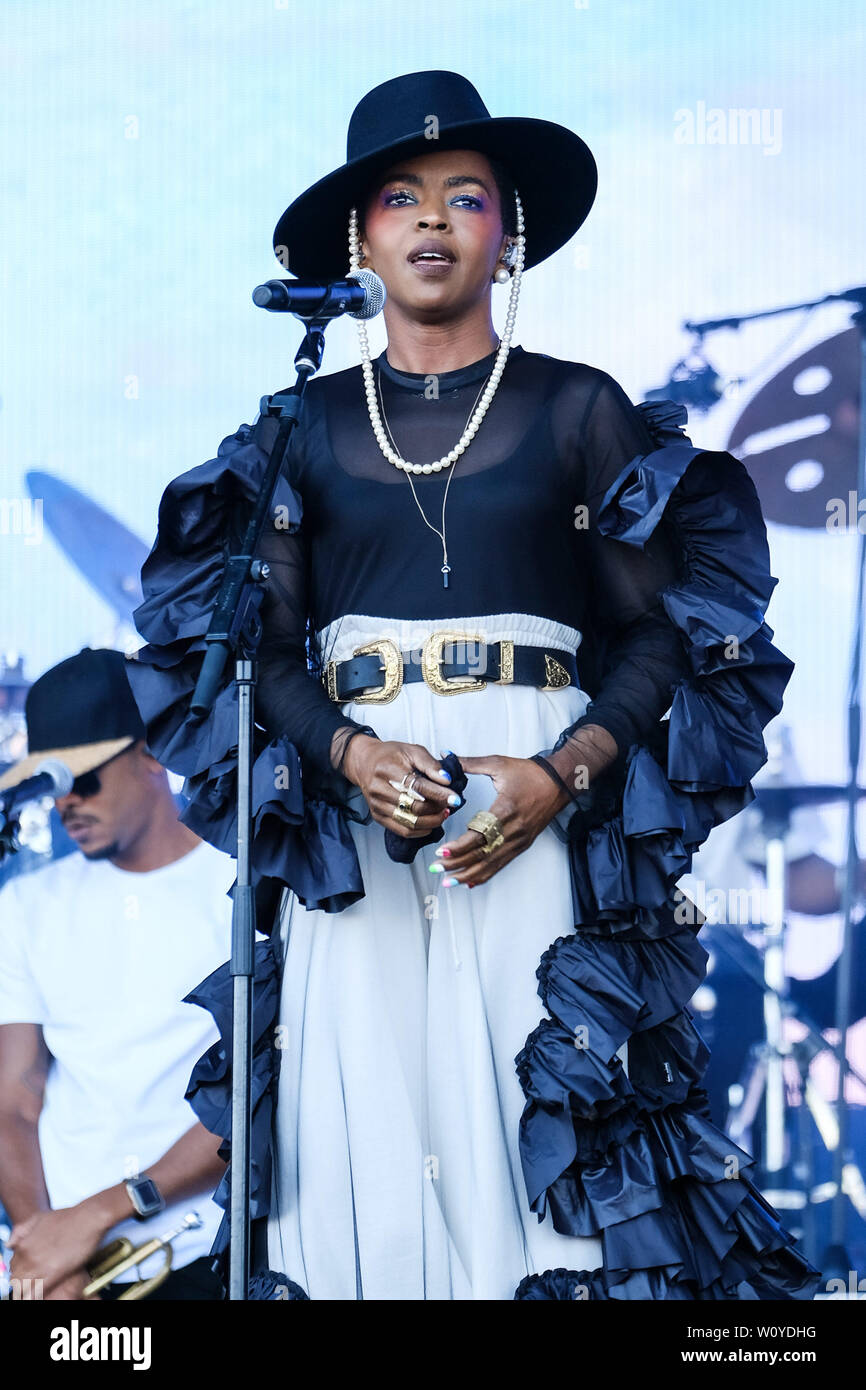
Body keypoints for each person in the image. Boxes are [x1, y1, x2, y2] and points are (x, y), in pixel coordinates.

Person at [127, 71, 822, 1300]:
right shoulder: (298, 425)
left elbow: (668, 632)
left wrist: (561, 772)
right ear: (361, 239)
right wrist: (343, 757)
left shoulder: (576, 408)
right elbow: (255, 650)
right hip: (359, 821)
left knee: (529, 1118)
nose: (433, 221)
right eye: (400, 199)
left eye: (466, 197)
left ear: (508, 238)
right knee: (364, 1136)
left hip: (527, 795)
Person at [0, 647, 236, 1300]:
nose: (67, 802)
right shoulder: (25, 905)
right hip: (67, 1272)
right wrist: (44, 1244)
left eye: (85, 777)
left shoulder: (247, 888)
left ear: (153, 751)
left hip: (206, 1255)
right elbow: (13, 1098)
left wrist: (98, 1215)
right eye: (51, 785)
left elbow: (257, 1095)